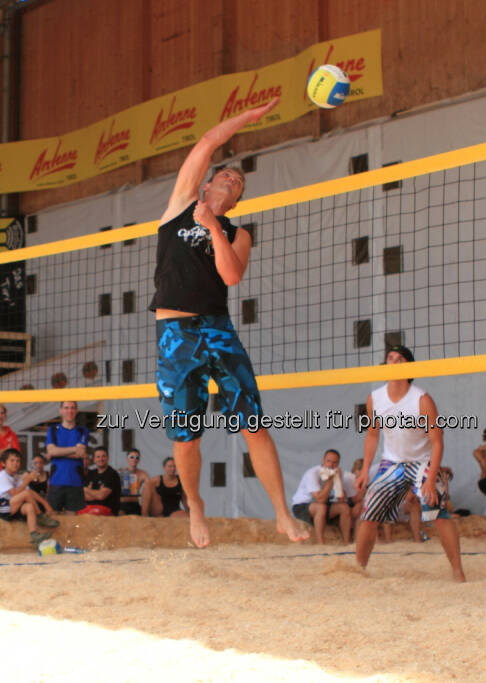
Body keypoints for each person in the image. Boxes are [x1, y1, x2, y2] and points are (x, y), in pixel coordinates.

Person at [148, 94, 305, 547]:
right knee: (186, 434)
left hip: (216, 328)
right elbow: (208, 141)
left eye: (237, 183)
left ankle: (282, 514)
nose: (231, 179)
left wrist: (214, 227)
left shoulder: (237, 232)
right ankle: (196, 508)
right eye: (225, 175)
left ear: (235, 199)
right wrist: (248, 117)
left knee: (254, 424)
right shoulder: (179, 204)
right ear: (208, 183)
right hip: (175, 333)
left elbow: (231, 276)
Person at [354, 346, 465, 582]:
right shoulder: (375, 398)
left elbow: (437, 442)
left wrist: (432, 478)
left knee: (438, 513)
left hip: (422, 463)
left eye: (399, 358)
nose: (392, 362)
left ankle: (458, 571)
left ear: (408, 367)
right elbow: (373, 435)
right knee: (368, 515)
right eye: (389, 358)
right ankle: (358, 571)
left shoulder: (422, 399)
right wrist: (365, 469)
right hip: (391, 463)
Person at [0, 449, 59, 546]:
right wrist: (28, 479)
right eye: (12, 461)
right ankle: (40, 516)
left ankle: (34, 535)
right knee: (25, 494)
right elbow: (14, 493)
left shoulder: (17, 477)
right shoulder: (1, 476)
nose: (15, 463)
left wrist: (46, 505)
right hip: (0, 506)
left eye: (18, 461)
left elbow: (30, 492)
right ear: (3, 463)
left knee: (29, 506)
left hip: (12, 505)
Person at [291, 449, 353, 544]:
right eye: (328, 461)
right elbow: (320, 499)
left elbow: (341, 499)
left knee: (344, 508)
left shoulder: (335, 474)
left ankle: (346, 542)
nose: (331, 465)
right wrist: (330, 481)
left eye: (334, 463)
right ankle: (321, 543)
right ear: (323, 461)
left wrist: (338, 480)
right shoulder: (313, 473)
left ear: (338, 464)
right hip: (302, 506)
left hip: (321, 504)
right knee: (321, 507)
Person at [44, 401, 89, 512]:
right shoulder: (53, 430)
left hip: (75, 481)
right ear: (61, 410)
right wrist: (74, 449)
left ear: (76, 410)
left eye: (73, 408)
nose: (70, 411)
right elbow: (52, 451)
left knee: (73, 522)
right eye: (66, 408)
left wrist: (56, 452)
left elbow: (81, 453)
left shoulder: (83, 430)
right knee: (53, 518)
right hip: (56, 480)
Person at [82, 446, 121, 515]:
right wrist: (97, 493)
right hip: (89, 509)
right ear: (94, 459)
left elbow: (101, 496)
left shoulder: (112, 474)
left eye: (103, 456)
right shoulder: (91, 473)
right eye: (98, 457)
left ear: (108, 458)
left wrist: (86, 489)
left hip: (107, 511)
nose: (101, 459)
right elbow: (82, 495)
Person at [118, 448, 150, 515]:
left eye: (137, 458)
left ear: (139, 460)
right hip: (122, 505)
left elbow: (150, 486)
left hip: (135, 505)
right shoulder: (120, 472)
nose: (134, 459)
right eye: (132, 457)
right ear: (127, 459)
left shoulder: (143, 474)